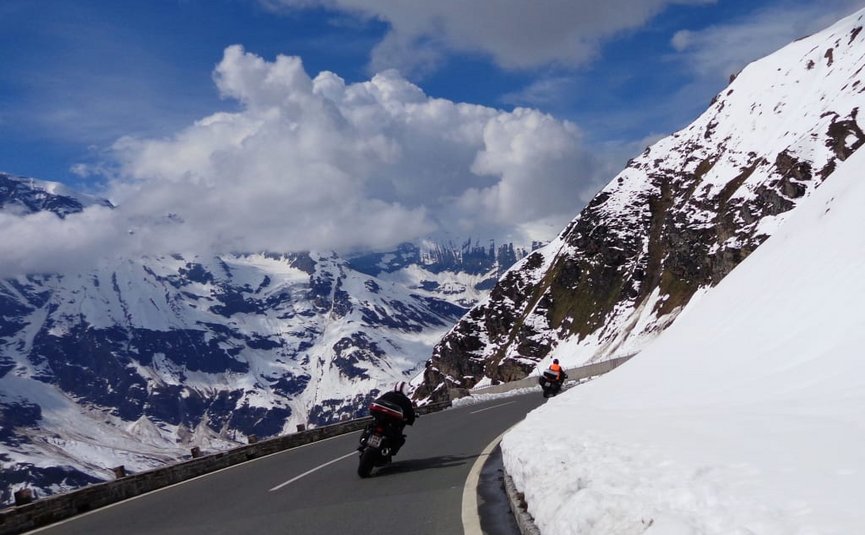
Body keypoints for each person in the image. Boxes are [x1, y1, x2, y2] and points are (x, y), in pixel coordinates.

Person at [359, 381, 417, 453]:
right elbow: (410, 414)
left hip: (380, 420)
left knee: (370, 427)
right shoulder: (406, 400)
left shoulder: (388, 394)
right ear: (405, 390)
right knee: (400, 438)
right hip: (393, 424)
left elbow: (377, 401)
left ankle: (364, 441)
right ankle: (390, 450)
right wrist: (410, 420)